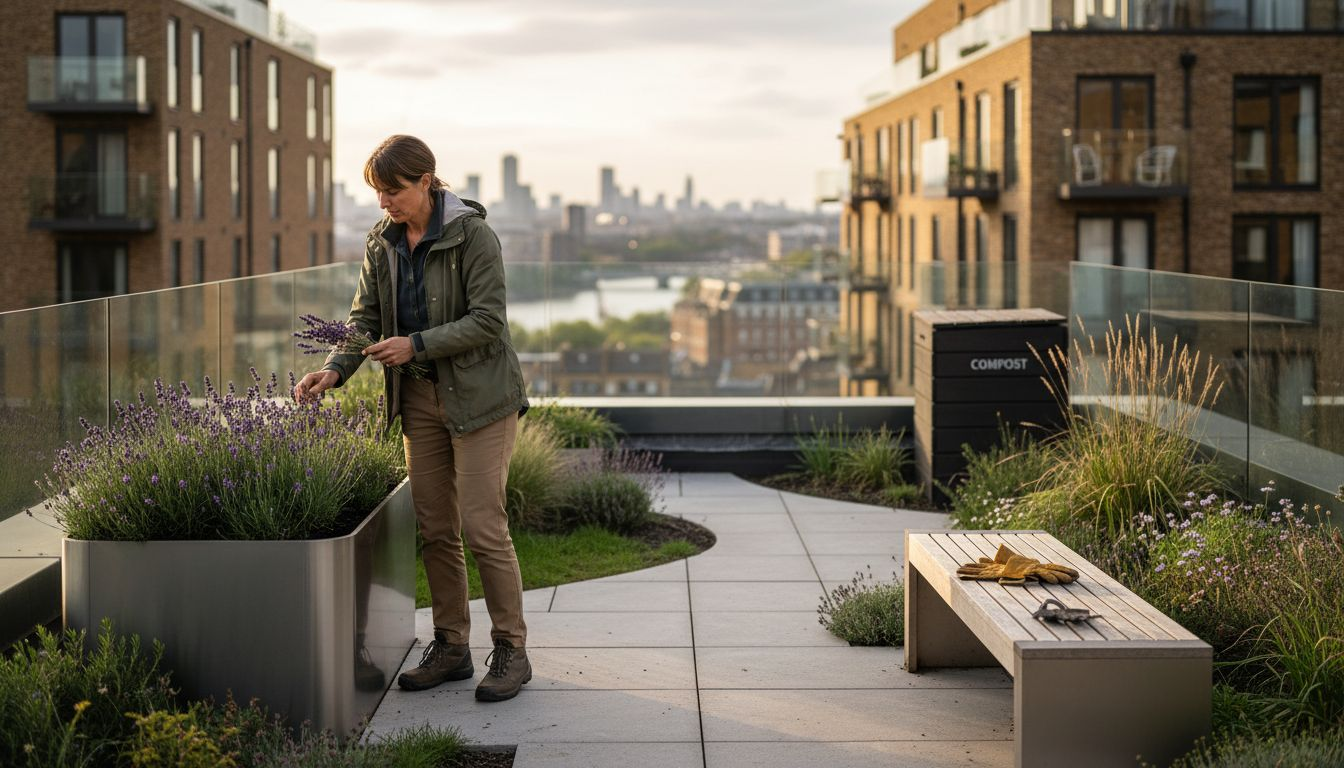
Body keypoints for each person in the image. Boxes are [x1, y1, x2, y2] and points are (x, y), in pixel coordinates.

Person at [294, 134, 531, 702]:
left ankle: (512, 650)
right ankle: (451, 646)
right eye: (377, 192)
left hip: (481, 400)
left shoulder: (473, 235)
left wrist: (415, 345)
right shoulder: (383, 241)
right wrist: (334, 369)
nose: (384, 203)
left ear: (427, 181)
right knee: (435, 529)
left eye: (393, 191)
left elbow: (488, 321)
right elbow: (365, 318)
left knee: (482, 526)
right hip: (419, 403)